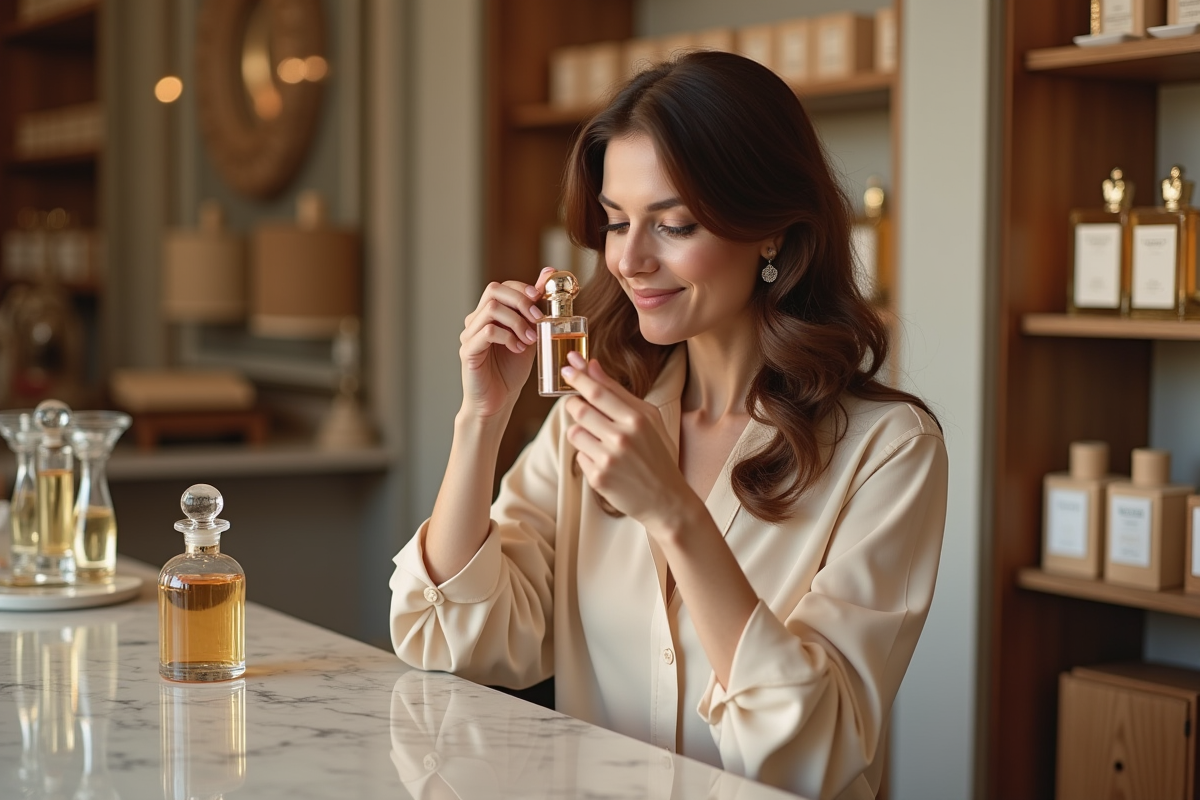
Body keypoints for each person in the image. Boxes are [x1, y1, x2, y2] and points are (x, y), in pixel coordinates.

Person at [389, 50, 948, 800]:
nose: (629, 259)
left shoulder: (887, 452)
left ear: (773, 232)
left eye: (674, 224)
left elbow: (812, 750)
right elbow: (458, 641)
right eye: (616, 224)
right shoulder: (592, 418)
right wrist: (481, 417)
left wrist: (674, 513)